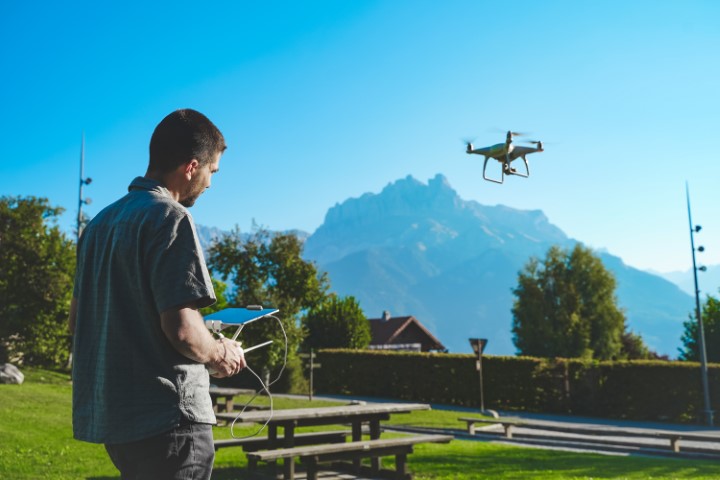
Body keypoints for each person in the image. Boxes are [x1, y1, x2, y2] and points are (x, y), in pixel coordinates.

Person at [69, 108, 246, 480]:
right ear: (192, 166)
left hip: (116, 421)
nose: (211, 183)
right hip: (170, 421)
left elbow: (78, 321)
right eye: (212, 172)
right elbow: (182, 329)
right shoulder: (171, 217)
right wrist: (219, 352)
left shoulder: (97, 227)